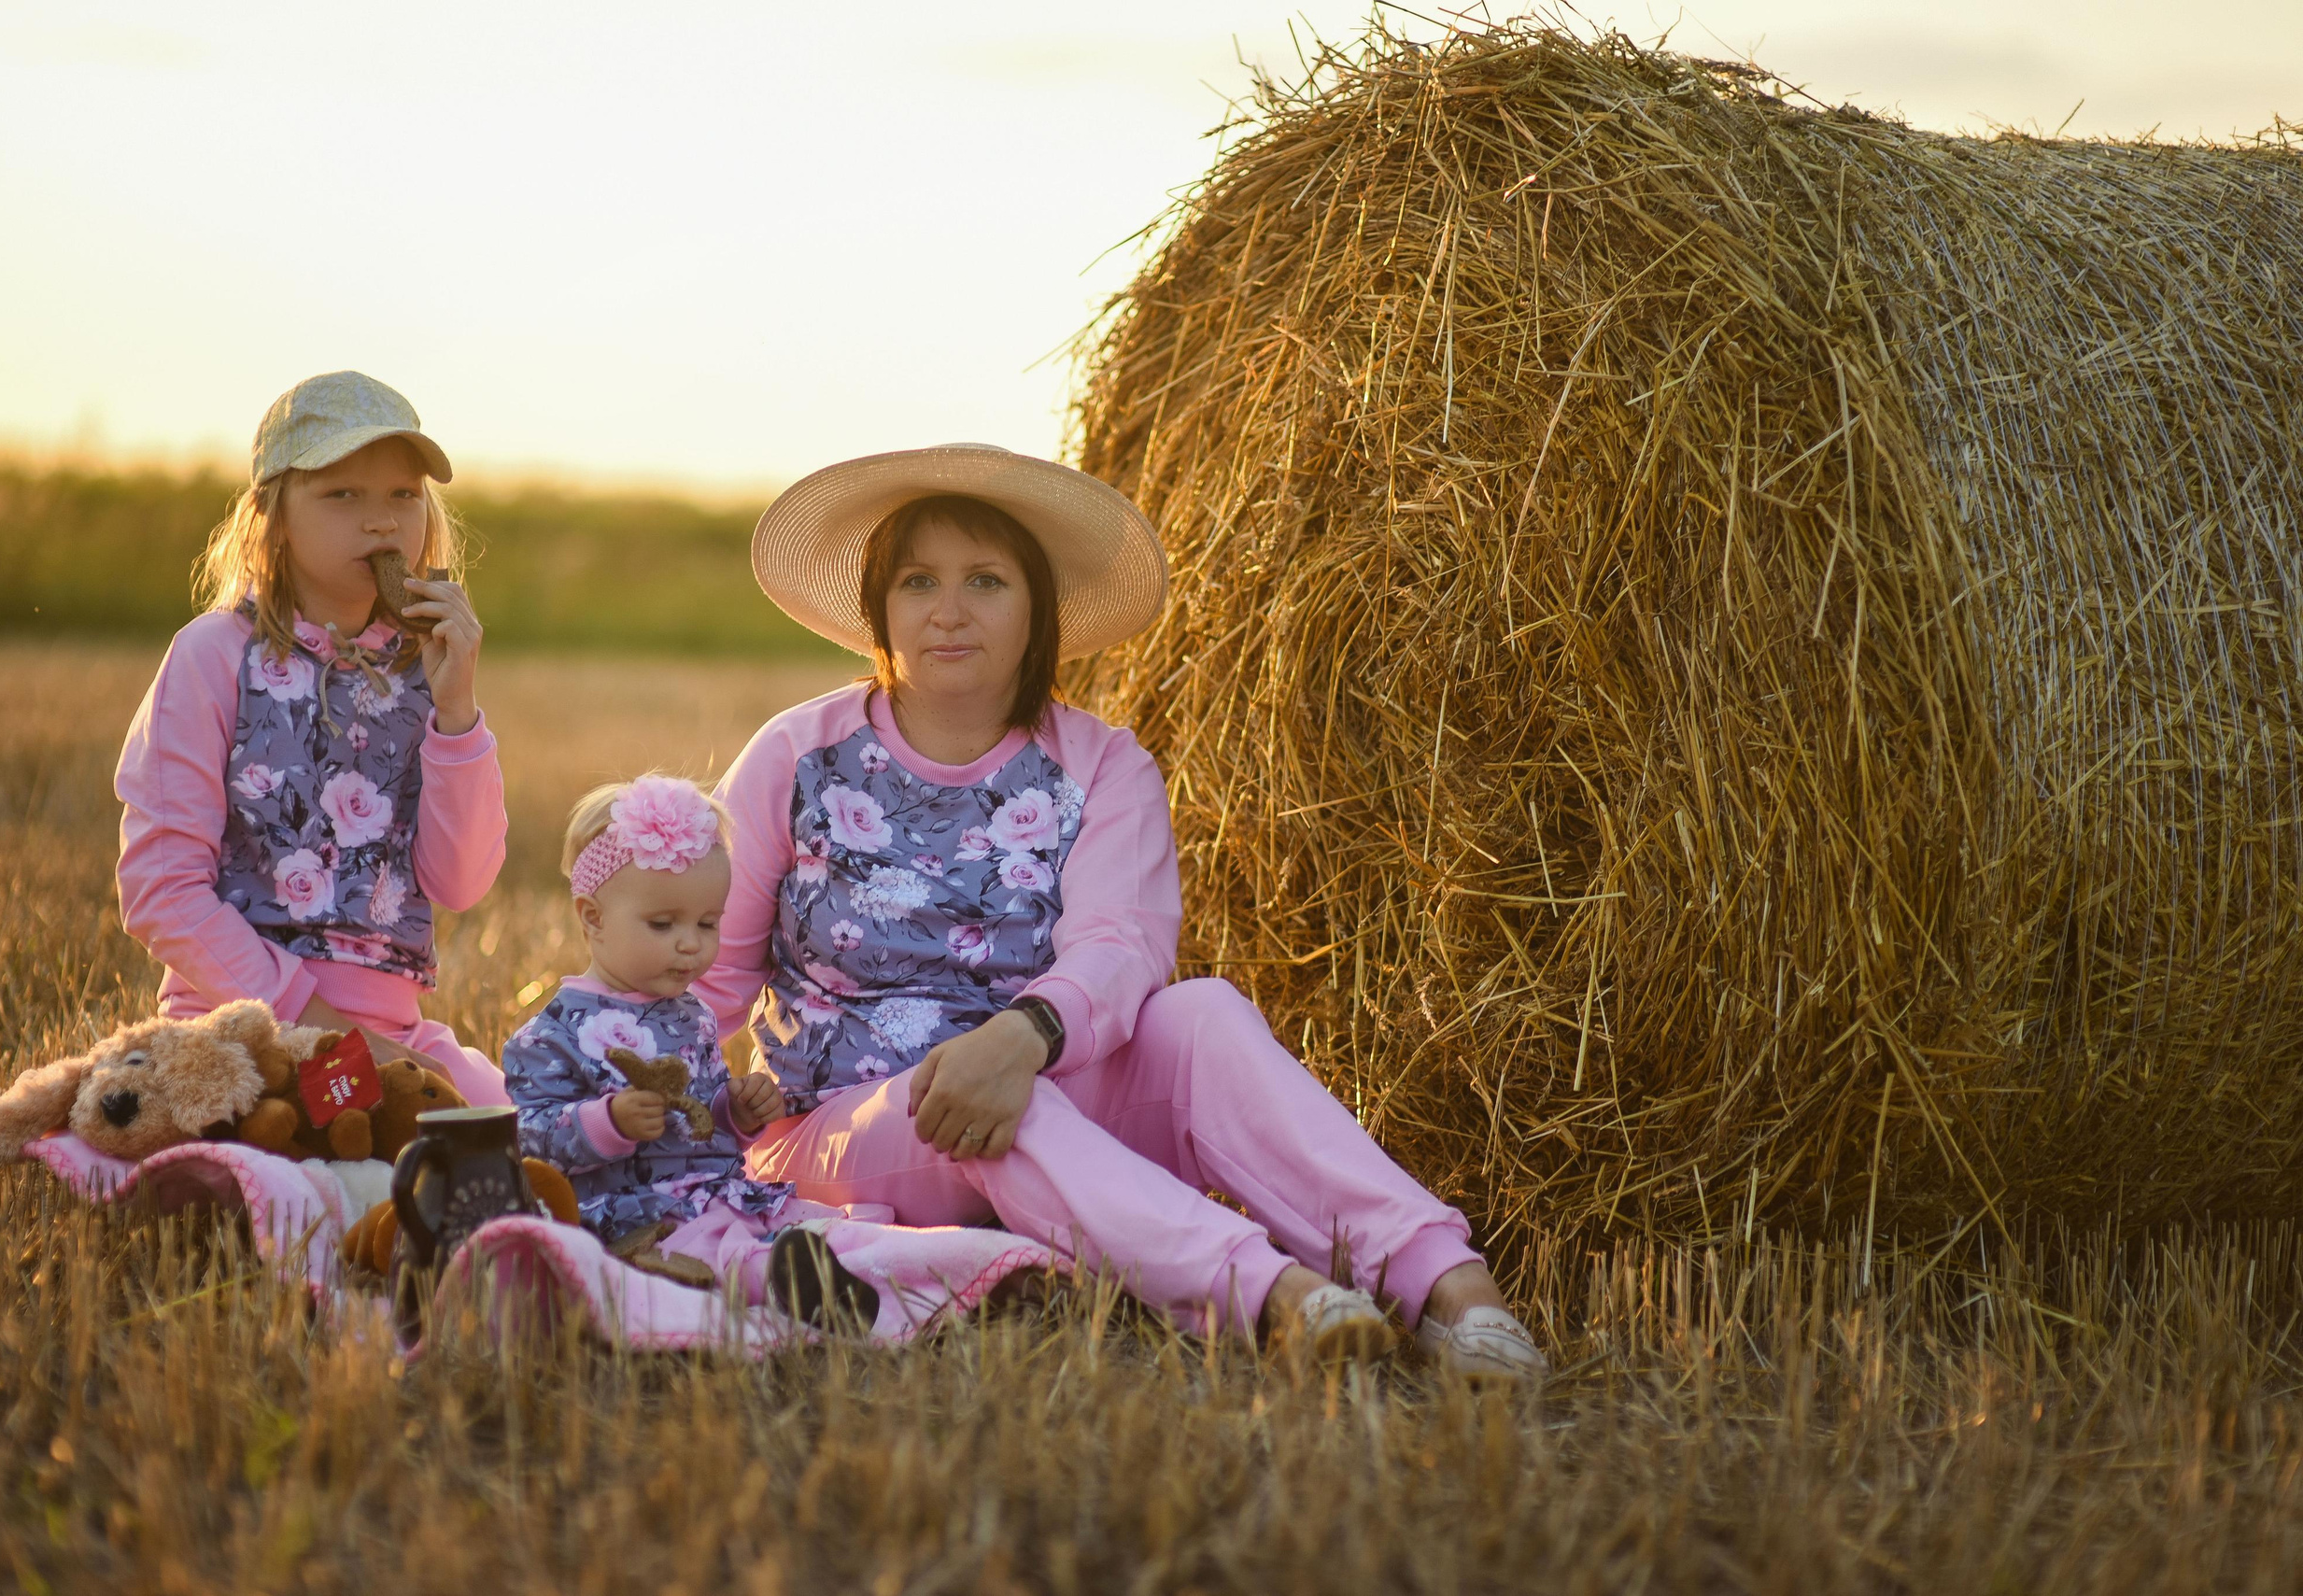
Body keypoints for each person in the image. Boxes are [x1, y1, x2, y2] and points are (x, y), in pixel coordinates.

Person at [699, 445, 1547, 1378]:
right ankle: (1279, 1297)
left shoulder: (1099, 763)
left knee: (1203, 1014)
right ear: (879, 606)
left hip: (1041, 1069)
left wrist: (1017, 1039)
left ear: (1037, 612)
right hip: (840, 1130)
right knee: (988, 1104)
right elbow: (707, 970)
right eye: (917, 580)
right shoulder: (796, 755)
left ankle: (1457, 1293)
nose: (948, 607)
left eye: (985, 579)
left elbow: (1120, 942)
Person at [114, 371, 509, 1106]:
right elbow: (161, 890)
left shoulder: (424, 671)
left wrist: (457, 710)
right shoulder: (213, 657)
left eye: (403, 494)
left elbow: (462, 882)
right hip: (237, 1029)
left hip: (394, 1037)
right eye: (342, 494)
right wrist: (331, 1034)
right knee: (295, 1168)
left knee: (502, 1139)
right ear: (274, 517)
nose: (382, 521)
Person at [501, 773, 876, 1325]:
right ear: (592, 917)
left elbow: (703, 1124)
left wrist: (736, 1112)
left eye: (707, 923)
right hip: (636, 1219)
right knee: (708, 1259)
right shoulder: (551, 1035)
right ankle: (789, 1286)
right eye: (662, 923)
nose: (690, 943)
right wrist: (606, 1122)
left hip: (715, 1196)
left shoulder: (693, 1017)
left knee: (821, 1224)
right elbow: (530, 1142)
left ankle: (893, 1262)